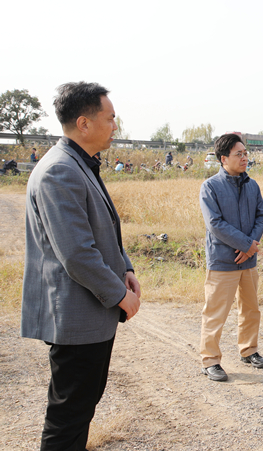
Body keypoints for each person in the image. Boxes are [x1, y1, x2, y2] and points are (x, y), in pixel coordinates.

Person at [21, 81, 141, 450]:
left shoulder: (80, 164)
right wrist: (120, 295)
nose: (115, 126)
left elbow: (105, 230)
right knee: (68, 416)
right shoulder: (60, 170)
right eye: (110, 118)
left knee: (80, 408)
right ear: (84, 123)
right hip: (76, 318)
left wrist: (126, 269)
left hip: (89, 316)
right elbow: (76, 253)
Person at [199, 133, 263, 382]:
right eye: (239, 154)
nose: (244, 158)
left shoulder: (252, 185)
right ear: (223, 158)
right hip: (223, 260)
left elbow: (261, 216)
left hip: (248, 260)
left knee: (250, 309)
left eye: (245, 153)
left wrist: (250, 246)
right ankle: (210, 360)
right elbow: (215, 224)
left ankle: (249, 350)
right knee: (215, 312)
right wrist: (246, 244)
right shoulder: (210, 187)